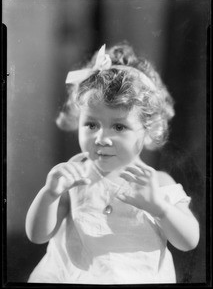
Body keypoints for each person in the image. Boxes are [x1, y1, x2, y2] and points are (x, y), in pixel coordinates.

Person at [25, 43, 200, 284]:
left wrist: (160, 208)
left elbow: (189, 241)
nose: (101, 138)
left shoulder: (156, 182)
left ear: (148, 130)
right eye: (91, 124)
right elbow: (37, 236)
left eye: (118, 127)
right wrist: (49, 195)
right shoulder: (75, 175)